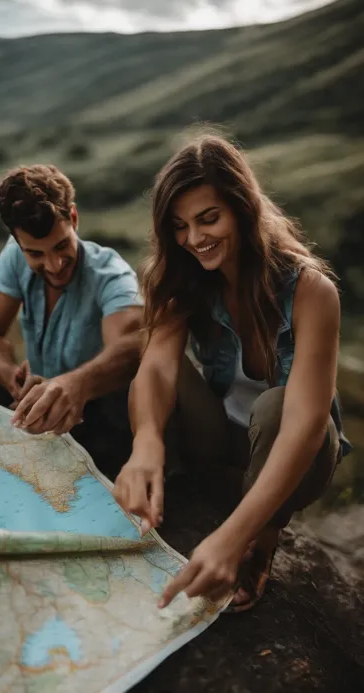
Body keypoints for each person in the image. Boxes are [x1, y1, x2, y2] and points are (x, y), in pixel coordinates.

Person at [113, 134, 351, 613]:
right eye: (179, 226)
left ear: (242, 209)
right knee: (158, 367)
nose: (194, 239)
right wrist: (146, 443)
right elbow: (158, 368)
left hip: (296, 453)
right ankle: (185, 484)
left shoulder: (312, 292)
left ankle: (262, 541)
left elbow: (305, 424)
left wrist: (238, 535)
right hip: (219, 443)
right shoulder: (183, 278)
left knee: (278, 404)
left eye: (208, 218)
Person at [0, 164, 143, 453]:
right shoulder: (14, 254)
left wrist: (75, 385)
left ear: (73, 217)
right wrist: (9, 376)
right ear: (17, 242)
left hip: (91, 412)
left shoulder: (112, 274)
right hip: (33, 401)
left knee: (126, 392)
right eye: (36, 254)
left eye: (62, 245)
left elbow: (131, 347)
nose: (54, 265)